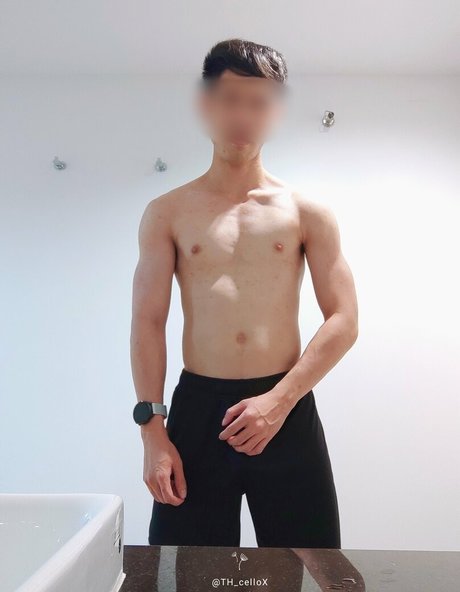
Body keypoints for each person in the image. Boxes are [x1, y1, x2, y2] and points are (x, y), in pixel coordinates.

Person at [130, 38, 359, 549]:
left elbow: (344, 319)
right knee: (186, 569)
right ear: (207, 105)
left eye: (259, 103)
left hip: (285, 402)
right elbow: (147, 320)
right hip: (197, 410)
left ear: (275, 112)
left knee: (312, 565)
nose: (243, 116)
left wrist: (280, 401)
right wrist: (152, 431)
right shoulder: (167, 212)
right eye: (231, 99)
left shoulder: (306, 212)